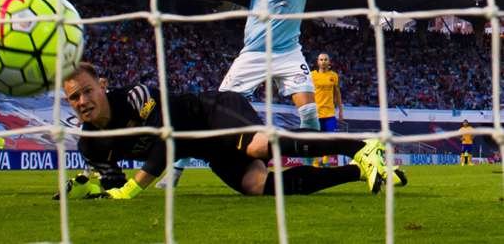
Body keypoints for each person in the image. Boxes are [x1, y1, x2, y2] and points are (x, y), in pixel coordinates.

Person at [156, 0, 356, 188]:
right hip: (253, 54)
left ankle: (310, 167)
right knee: (212, 113)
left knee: (309, 111)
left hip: (288, 53)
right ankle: (176, 170)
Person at [54, 62, 407, 200]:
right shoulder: (91, 146)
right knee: (256, 186)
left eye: (87, 91)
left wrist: (133, 187)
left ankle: (361, 145)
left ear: (101, 86)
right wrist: (98, 185)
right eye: (74, 97)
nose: (82, 100)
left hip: (213, 112)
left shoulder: (135, 97)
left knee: (256, 148)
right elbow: (112, 186)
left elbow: (168, 141)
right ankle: (357, 171)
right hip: (208, 149)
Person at [311, 53, 343, 167]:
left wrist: (341, 110)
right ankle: (315, 163)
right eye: (321, 59)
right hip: (316, 114)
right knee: (316, 140)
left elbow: (337, 93)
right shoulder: (312, 76)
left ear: (329, 62)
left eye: (325, 59)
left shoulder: (333, 76)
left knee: (330, 139)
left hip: (330, 113)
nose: (323, 61)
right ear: (317, 62)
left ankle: (325, 162)